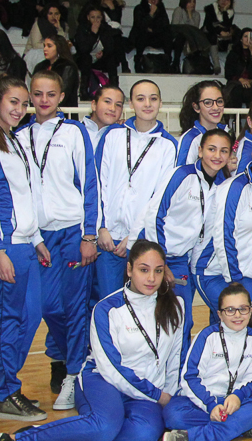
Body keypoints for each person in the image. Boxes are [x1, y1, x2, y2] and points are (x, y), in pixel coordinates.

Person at [0, 240, 184, 441]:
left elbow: (174, 360)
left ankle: (68, 434)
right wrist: (158, 395)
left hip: (145, 391)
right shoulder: (106, 309)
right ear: (129, 269)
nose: (151, 278)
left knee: (145, 435)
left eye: (158, 271)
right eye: (144, 270)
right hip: (103, 380)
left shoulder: (176, 307)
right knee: (105, 426)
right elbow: (111, 368)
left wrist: (169, 396)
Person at [14, 70, 100, 411]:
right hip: (40, 236)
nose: (44, 100)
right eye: (37, 94)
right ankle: (76, 361)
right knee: (49, 307)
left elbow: (90, 183)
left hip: (73, 232)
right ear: (30, 96)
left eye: (51, 94)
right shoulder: (20, 136)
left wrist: (89, 234)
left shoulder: (74, 132)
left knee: (74, 307)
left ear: (61, 97)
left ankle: (73, 375)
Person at [0, 75, 52, 421]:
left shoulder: (13, 140)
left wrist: (36, 238)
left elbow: (25, 196)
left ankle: (1, 383)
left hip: (25, 244)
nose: (20, 109)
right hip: (6, 246)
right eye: (13, 102)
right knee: (9, 320)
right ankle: (6, 391)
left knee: (31, 315)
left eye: (24, 104)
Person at [195, 132, 252, 370]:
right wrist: (235, 283)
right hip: (215, 272)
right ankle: (216, 374)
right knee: (239, 324)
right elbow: (223, 236)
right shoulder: (234, 188)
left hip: (250, 274)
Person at [144, 128, 231, 351]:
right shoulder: (181, 175)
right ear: (200, 151)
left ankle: (181, 369)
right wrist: (160, 262)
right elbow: (155, 215)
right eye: (211, 149)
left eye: (223, 151)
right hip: (161, 257)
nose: (217, 155)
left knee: (183, 321)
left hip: (186, 260)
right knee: (163, 319)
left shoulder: (223, 186)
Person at [160, 282, 252, 441]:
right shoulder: (207, 337)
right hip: (204, 402)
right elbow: (190, 377)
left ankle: (188, 438)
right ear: (219, 314)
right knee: (173, 415)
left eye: (243, 309)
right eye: (230, 310)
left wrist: (238, 396)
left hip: (236, 403)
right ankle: (244, 427)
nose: (237, 315)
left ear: (250, 311)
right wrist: (210, 404)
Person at [95, 80, 179, 297]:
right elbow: (99, 183)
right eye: (140, 99)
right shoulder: (112, 135)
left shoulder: (169, 145)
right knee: (109, 302)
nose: (147, 104)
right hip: (107, 238)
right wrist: (101, 227)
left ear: (161, 103)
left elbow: (158, 200)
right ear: (131, 104)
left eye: (153, 98)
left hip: (141, 241)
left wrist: (133, 237)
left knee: (142, 304)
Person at [176, 80, 230, 166]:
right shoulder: (190, 139)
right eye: (208, 103)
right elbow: (182, 172)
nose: (216, 107)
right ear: (196, 107)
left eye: (219, 101)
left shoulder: (227, 132)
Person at [82, 0, 127, 74]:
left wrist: (112, 9)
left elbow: (116, 23)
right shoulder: (93, 4)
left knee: (117, 37)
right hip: (94, 31)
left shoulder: (116, 7)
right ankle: (123, 64)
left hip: (110, 33)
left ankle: (123, 65)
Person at [74, 6, 121, 84]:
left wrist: (103, 53)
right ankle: (84, 88)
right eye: (93, 17)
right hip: (86, 59)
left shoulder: (106, 29)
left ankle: (114, 85)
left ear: (102, 18)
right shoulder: (82, 29)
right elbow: (83, 49)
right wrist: (93, 34)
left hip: (100, 59)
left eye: (98, 17)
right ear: (88, 17)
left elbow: (110, 47)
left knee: (111, 59)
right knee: (86, 59)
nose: (96, 20)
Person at [33, 36, 80, 109]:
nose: (45, 49)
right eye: (44, 46)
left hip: (63, 110)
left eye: (49, 46)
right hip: (41, 109)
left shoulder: (68, 67)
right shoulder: (40, 66)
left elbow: (64, 92)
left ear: (59, 48)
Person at [131, 0, 172, 71]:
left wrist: (152, 30)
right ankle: (138, 62)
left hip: (156, 36)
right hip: (142, 36)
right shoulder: (139, 8)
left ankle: (168, 62)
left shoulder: (161, 10)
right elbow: (139, 25)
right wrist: (151, 14)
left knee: (167, 35)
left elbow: (165, 26)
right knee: (142, 34)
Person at [171, 0, 211, 72]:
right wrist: (186, 28)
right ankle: (176, 63)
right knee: (181, 36)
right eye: (190, 2)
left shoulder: (196, 14)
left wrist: (190, 16)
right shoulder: (179, 10)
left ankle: (195, 66)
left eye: (194, 2)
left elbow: (195, 29)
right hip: (177, 36)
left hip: (191, 38)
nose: (192, 4)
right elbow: (175, 25)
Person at [224, 28, 252, 107]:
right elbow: (228, 73)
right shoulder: (233, 53)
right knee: (237, 91)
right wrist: (240, 79)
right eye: (245, 36)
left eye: (250, 37)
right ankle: (236, 115)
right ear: (241, 39)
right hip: (236, 83)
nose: (248, 39)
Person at [202, 0, 237, 73]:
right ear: (218, 0)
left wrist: (224, 11)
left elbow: (227, 25)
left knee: (236, 35)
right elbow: (209, 25)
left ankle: (230, 63)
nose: (223, 1)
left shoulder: (230, 12)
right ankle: (216, 65)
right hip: (209, 34)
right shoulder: (211, 8)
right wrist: (220, 31)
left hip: (222, 38)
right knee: (212, 35)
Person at [84, 85, 124, 149]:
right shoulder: (73, 131)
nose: (112, 109)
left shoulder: (123, 134)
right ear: (94, 105)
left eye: (118, 105)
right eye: (107, 101)